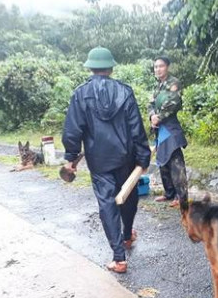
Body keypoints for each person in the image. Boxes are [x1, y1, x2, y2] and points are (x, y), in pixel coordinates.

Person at [61, 47, 151, 274]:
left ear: (90, 67)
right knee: (129, 196)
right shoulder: (125, 92)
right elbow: (136, 127)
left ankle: (119, 258)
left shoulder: (80, 94)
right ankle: (127, 235)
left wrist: (70, 157)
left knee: (107, 203)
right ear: (111, 67)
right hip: (126, 157)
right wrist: (143, 155)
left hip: (99, 160)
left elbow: (73, 129)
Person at [147, 55, 188, 208]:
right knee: (162, 161)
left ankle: (181, 196)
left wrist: (159, 117)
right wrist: (152, 116)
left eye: (161, 66)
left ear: (167, 67)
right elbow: (150, 103)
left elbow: (173, 103)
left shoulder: (174, 83)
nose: (158, 69)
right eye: (155, 66)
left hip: (170, 127)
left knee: (175, 161)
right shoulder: (157, 86)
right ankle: (169, 193)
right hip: (159, 129)